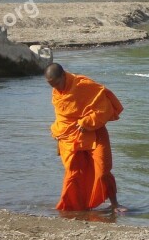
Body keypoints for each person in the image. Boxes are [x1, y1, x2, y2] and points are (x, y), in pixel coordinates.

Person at [45, 63, 124, 213]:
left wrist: (87, 121)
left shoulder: (83, 85)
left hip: (95, 132)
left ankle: (115, 204)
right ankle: (73, 207)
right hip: (71, 137)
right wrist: (58, 133)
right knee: (73, 174)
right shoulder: (57, 93)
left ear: (63, 76)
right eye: (50, 85)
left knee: (103, 170)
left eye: (56, 83)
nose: (55, 88)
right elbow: (63, 118)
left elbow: (104, 107)